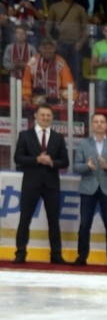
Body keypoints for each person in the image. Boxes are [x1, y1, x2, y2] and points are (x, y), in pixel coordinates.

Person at [13, 104, 69, 264]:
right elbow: (18, 158)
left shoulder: (58, 138)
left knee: (53, 220)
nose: (46, 118)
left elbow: (65, 161)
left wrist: (51, 162)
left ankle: (56, 254)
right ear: (36, 116)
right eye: (43, 115)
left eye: (49, 115)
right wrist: (36, 159)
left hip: (51, 184)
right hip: (31, 183)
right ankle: (21, 252)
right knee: (25, 218)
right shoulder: (25, 135)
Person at [73, 113, 107, 267]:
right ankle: (82, 257)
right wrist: (87, 167)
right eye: (96, 122)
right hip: (88, 189)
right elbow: (76, 167)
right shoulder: (83, 144)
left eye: (102, 122)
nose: (99, 124)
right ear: (92, 125)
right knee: (84, 225)